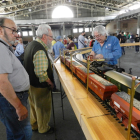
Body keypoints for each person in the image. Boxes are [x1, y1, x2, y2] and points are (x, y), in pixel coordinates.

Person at [0, 17, 32, 139]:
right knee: (23, 133)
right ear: (0, 31)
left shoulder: (4, 47)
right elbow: (2, 83)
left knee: (14, 132)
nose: (16, 34)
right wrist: (18, 106)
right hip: (11, 101)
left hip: (12, 99)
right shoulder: (1, 49)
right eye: (13, 30)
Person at [24, 24, 54, 134]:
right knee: (43, 108)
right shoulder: (40, 49)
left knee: (33, 106)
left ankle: (34, 125)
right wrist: (50, 82)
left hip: (30, 84)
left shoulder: (31, 44)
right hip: (39, 87)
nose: (51, 40)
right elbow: (41, 73)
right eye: (51, 37)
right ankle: (43, 128)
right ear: (44, 36)